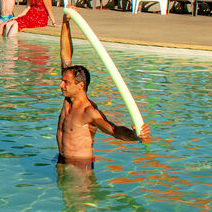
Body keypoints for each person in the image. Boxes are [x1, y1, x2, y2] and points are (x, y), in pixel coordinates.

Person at [56, 19, 149, 165]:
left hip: (80, 169)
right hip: (61, 161)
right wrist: (66, 23)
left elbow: (113, 130)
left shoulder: (89, 112)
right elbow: (66, 55)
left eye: (65, 82)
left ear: (80, 86)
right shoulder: (68, 99)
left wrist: (135, 135)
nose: (61, 85)